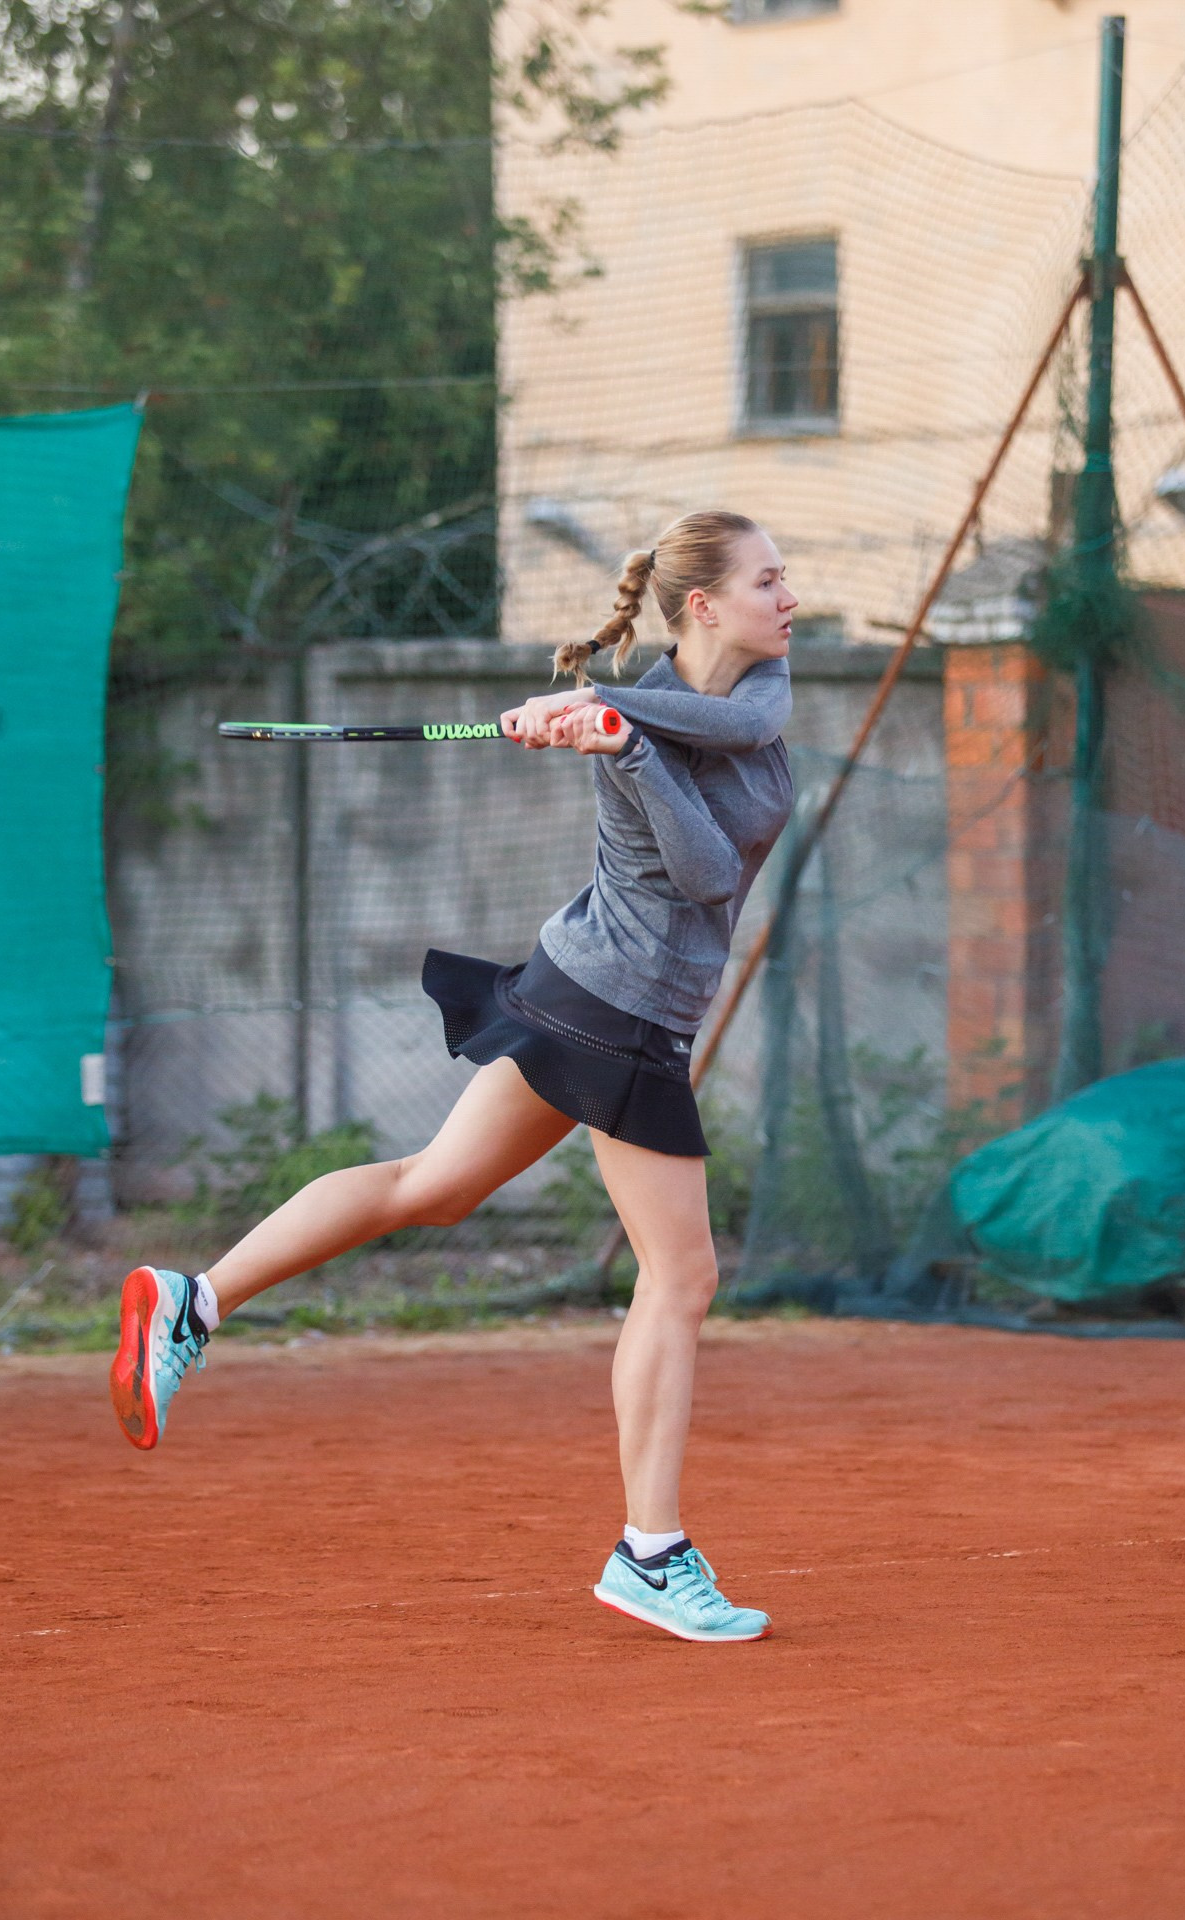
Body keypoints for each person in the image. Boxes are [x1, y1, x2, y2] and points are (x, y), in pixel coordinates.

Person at [110, 508, 797, 1644]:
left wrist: (614, 712)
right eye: (769, 580)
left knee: (431, 1187)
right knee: (680, 1278)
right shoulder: (626, 736)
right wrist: (620, 748)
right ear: (702, 608)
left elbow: (717, 728)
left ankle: (197, 1298)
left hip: (579, 989)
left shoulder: (742, 703)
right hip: (615, 1010)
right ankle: (650, 1551)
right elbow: (706, 870)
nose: (790, 596)